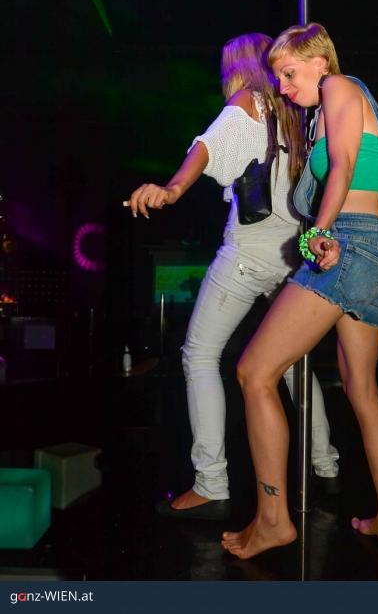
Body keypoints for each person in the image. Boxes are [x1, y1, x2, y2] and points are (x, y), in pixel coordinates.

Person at [126, 32, 339, 520]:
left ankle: (211, 482)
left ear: (238, 66)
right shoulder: (298, 114)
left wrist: (173, 188)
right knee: (292, 363)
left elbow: (207, 146)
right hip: (294, 257)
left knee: (200, 355)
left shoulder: (249, 102)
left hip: (249, 254)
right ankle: (327, 465)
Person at [221, 22, 378, 556]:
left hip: (349, 242)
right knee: (362, 391)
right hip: (377, 252)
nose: (283, 87)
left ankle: (273, 521)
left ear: (320, 62)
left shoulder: (338, 87)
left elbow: (344, 166)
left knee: (254, 373)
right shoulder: (332, 109)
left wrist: (320, 232)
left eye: (288, 73)